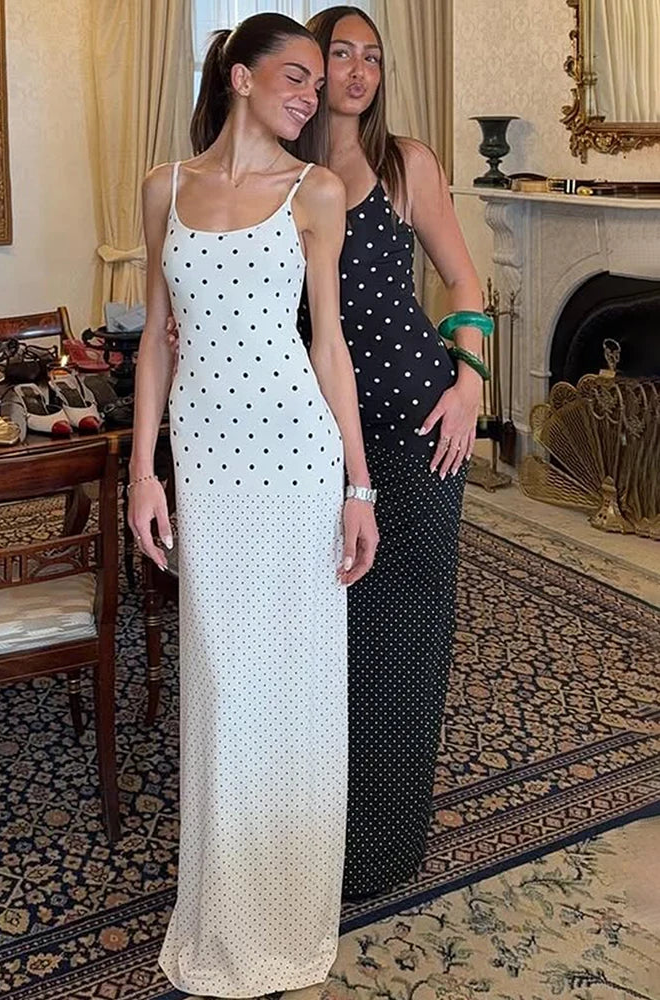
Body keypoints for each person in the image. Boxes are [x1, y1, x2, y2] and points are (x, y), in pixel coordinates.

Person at [128, 13, 378, 997]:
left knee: (298, 692)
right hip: (208, 464)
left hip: (299, 460)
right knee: (226, 687)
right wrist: (142, 473)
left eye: (320, 82)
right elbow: (155, 335)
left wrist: (358, 484)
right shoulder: (166, 189)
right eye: (298, 74)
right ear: (238, 77)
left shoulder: (317, 193)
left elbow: (330, 349)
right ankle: (221, 919)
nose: (313, 94)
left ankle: (286, 919)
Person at [298, 6, 487, 900]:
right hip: (311, 437)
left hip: (416, 428)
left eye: (373, 57)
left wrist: (471, 383)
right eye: (342, 54)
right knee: (317, 637)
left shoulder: (407, 164)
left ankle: (382, 849)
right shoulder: (281, 172)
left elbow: (463, 278)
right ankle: (306, 833)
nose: (359, 71)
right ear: (310, 62)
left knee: (404, 639)